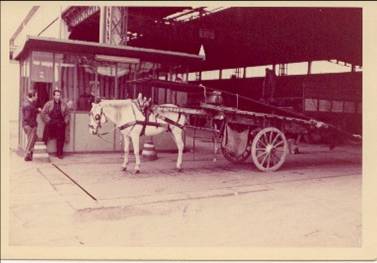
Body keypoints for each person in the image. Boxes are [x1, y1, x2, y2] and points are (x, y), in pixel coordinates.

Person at [41, 89, 70, 159]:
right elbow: (43, 113)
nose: (58, 96)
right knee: (45, 136)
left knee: (61, 138)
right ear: (53, 96)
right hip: (51, 122)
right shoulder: (49, 104)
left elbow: (67, 114)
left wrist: (65, 121)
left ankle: (59, 153)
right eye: (56, 95)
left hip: (60, 123)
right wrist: (48, 120)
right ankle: (43, 152)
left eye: (59, 95)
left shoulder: (64, 104)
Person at [21, 90, 39, 161]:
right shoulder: (28, 105)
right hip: (29, 126)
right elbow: (27, 117)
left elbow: (32, 110)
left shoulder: (29, 103)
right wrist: (34, 125)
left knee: (33, 139)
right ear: (33, 96)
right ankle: (27, 155)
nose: (37, 97)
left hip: (29, 125)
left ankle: (29, 155)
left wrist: (37, 110)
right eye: (36, 95)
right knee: (31, 141)